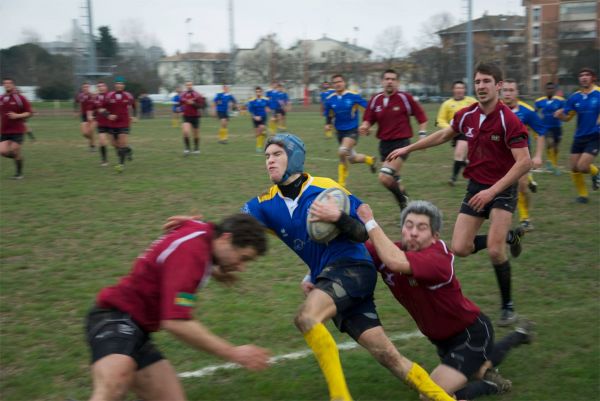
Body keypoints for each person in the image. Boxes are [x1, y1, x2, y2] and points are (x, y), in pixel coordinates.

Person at [165, 133, 455, 401]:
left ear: (294, 158)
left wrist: (337, 216)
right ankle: (446, 399)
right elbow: (230, 231)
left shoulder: (326, 188)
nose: (269, 160)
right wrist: (196, 226)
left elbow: (361, 232)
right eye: (267, 156)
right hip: (330, 278)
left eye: (277, 154)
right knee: (388, 355)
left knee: (307, 318)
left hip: (353, 268)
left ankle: (340, 397)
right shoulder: (264, 204)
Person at [387, 62, 531, 326]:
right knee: (460, 247)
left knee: (496, 252)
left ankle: (508, 307)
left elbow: (524, 162)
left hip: (501, 189)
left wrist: (493, 191)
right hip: (476, 186)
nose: (481, 86)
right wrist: (410, 149)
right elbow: (443, 135)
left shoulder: (508, 119)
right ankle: (511, 236)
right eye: (477, 82)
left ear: (498, 85)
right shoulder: (468, 115)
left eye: (487, 81)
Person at [357, 200, 534, 400]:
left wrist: (369, 222)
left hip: (471, 335)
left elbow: (394, 261)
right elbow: (356, 248)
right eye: (409, 225)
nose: (413, 232)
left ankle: (490, 386)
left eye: (422, 227)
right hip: (443, 341)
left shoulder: (438, 257)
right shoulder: (394, 250)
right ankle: (519, 335)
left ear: (435, 236)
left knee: (430, 395)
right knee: (480, 367)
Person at [85, 213, 270, 401]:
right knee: (116, 380)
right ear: (226, 238)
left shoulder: (205, 233)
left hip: (139, 330)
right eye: (243, 258)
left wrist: (215, 269)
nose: (241, 267)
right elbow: (175, 322)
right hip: (114, 317)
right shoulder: (192, 253)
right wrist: (233, 352)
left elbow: (197, 228)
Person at [359, 69, 427, 213]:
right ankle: (409, 208)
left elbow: (421, 117)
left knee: (384, 176)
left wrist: (422, 135)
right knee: (395, 181)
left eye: (393, 79)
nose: (390, 81)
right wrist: (365, 127)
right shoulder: (375, 100)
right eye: (387, 79)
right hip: (384, 145)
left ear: (397, 82)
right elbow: (368, 120)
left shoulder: (405, 98)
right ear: (382, 82)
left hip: (401, 144)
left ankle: (403, 203)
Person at [502, 79, 547, 232]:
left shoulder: (527, 111)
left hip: (521, 157)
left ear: (517, 92)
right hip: (500, 157)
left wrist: (538, 156)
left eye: (511, 90)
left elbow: (541, 132)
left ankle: (525, 219)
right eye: (505, 90)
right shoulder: (496, 109)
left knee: (521, 187)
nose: (507, 93)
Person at [554, 67, 600, 203]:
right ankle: (583, 196)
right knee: (574, 168)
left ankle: (596, 172)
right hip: (579, 136)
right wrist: (560, 115)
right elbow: (567, 117)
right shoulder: (575, 97)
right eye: (581, 75)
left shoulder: (598, 93)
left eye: (587, 75)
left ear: (593, 78)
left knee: (583, 166)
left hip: (595, 135)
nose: (584, 77)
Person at [324, 74, 376, 188]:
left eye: (340, 81)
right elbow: (329, 114)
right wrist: (328, 124)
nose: (338, 84)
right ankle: (370, 160)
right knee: (352, 159)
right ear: (333, 85)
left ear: (344, 83)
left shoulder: (353, 96)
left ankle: (341, 184)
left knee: (342, 151)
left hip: (352, 130)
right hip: (340, 132)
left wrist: (367, 124)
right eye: (335, 82)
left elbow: (368, 109)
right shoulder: (329, 99)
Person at [435, 80, 477, 186]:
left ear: (465, 90)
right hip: (454, 132)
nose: (459, 90)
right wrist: (450, 128)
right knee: (464, 158)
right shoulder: (447, 104)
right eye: (457, 88)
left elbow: (481, 112)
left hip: (469, 131)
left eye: (461, 88)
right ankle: (473, 175)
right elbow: (440, 120)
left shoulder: (471, 101)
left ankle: (453, 179)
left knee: (460, 154)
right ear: (453, 90)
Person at [102, 77, 136, 173]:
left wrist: (134, 116)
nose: (119, 85)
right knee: (114, 144)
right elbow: (102, 109)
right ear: (115, 85)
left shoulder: (128, 96)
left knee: (121, 144)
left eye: (121, 84)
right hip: (112, 124)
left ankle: (121, 165)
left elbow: (134, 105)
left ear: (124, 86)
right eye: (117, 83)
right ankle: (128, 150)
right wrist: (108, 115)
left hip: (124, 123)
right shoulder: (109, 96)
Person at [0, 77, 32, 179]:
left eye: (9, 83)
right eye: (5, 83)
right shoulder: (1, 98)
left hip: (17, 130)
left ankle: (19, 174)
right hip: (4, 131)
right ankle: (19, 158)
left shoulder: (20, 98)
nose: (7, 85)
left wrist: (17, 116)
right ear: (3, 85)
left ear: (13, 85)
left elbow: (29, 113)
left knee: (14, 149)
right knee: (3, 152)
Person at [535, 82, 565, 175]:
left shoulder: (560, 100)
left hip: (557, 127)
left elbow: (566, 110)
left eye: (552, 88)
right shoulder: (539, 101)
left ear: (554, 90)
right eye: (548, 88)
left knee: (555, 147)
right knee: (550, 143)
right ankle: (554, 167)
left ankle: (551, 162)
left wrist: (561, 114)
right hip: (546, 127)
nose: (550, 90)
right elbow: (534, 112)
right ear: (545, 90)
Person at [179, 81, 205, 155]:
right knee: (185, 132)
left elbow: (201, 106)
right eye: (187, 85)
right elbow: (180, 104)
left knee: (196, 134)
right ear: (185, 86)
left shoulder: (197, 94)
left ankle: (196, 148)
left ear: (192, 85)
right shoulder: (183, 95)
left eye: (190, 85)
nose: (189, 86)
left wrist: (193, 103)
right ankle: (187, 149)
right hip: (186, 116)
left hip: (195, 116)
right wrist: (180, 110)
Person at [94, 81, 114, 167]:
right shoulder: (96, 98)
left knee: (114, 143)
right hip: (101, 123)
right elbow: (98, 109)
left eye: (102, 86)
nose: (101, 88)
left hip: (111, 123)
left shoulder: (111, 96)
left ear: (106, 87)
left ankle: (126, 149)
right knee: (102, 142)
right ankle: (104, 160)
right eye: (99, 86)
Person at [246, 86, 270, 152]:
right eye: (257, 92)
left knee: (261, 128)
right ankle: (262, 135)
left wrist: (268, 110)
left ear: (261, 92)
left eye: (259, 91)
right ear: (255, 92)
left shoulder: (266, 99)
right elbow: (250, 111)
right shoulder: (252, 100)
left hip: (263, 117)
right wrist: (255, 117)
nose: (258, 93)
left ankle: (259, 147)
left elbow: (268, 107)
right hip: (255, 118)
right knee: (257, 134)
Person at [75, 82, 97, 151]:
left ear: (89, 88)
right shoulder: (80, 96)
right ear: (82, 88)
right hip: (84, 116)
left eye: (87, 87)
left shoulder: (93, 96)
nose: (85, 88)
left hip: (93, 116)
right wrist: (76, 111)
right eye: (84, 87)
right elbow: (76, 102)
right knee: (85, 133)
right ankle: (93, 143)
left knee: (90, 131)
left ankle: (92, 146)